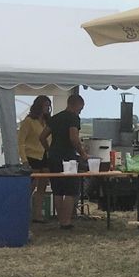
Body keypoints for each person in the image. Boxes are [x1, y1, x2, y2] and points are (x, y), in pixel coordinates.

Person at [40, 94, 89, 229]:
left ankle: (61, 220)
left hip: (54, 157)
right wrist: (83, 153)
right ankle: (66, 221)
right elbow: (73, 138)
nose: (80, 111)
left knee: (57, 190)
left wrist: (49, 150)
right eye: (80, 108)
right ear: (76, 105)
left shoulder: (55, 118)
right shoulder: (73, 118)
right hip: (68, 158)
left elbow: (42, 137)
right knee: (70, 190)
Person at [18, 96, 51, 222]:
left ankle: (38, 214)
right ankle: (22, 213)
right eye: (45, 105)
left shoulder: (48, 122)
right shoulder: (29, 121)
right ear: (39, 106)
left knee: (42, 187)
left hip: (45, 156)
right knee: (30, 186)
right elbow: (20, 142)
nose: (47, 108)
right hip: (32, 156)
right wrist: (24, 160)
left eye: (49, 105)